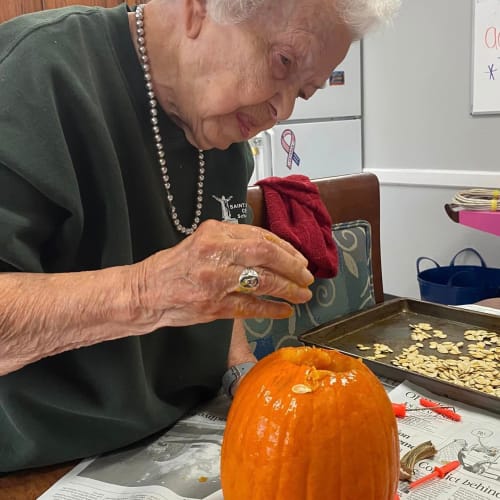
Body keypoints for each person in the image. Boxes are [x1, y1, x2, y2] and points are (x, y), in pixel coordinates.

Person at [0, 0, 400, 473]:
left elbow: (215, 292)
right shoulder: (32, 73)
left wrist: (242, 373)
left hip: (184, 435)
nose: (283, 109)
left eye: (304, 92)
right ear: (197, 9)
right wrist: (146, 291)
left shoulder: (225, 131)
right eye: (283, 62)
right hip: (43, 465)